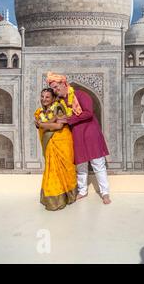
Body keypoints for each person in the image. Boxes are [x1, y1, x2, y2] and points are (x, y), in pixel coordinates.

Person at [46, 72, 112, 205]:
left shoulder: (81, 95)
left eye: (56, 86)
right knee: (81, 165)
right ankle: (82, 191)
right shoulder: (59, 102)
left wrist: (68, 119)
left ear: (64, 84)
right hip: (76, 135)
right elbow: (55, 117)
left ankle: (105, 193)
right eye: (53, 88)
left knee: (98, 164)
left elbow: (88, 113)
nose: (55, 90)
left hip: (90, 133)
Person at [34, 88, 77, 211]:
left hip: (62, 141)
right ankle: (53, 197)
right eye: (42, 96)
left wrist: (41, 124)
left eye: (47, 97)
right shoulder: (39, 112)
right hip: (49, 142)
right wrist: (42, 124)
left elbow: (59, 125)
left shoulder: (58, 108)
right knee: (51, 168)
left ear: (53, 98)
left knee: (64, 168)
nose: (44, 99)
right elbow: (39, 123)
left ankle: (66, 196)